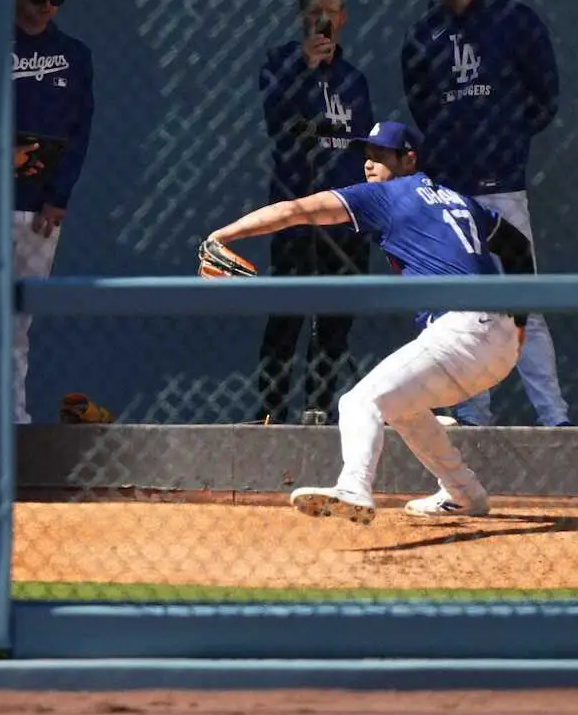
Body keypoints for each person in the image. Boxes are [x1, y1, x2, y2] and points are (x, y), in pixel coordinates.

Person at [205, 120, 533, 524]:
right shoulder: (460, 200)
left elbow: (295, 211)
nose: (369, 164)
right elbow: (516, 245)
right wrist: (519, 320)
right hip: (494, 341)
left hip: (462, 330)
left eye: (380, 154)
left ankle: (353, 486)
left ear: (408, 158)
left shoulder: (388, 195)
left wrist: (222, 235)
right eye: (366, 155)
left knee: (358, 401)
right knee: (403, 406)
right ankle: (463, 491)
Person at [400, 0, 571, 429]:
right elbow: (422, 106)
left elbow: (546, 97)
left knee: (524, 304)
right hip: (451, 189)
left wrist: (506, 139)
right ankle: (473, 418)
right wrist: (453, 150)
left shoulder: (516, 22)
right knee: (461, 307)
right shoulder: (424, 33)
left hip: (502, 187)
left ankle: (555, 421)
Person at [256, 0, 376, 425]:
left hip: (343, 214)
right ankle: (270, 408)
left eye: (331, 12)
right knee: (286, 310)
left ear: (342, 18)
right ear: (302, 17)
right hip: (293, 209)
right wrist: (303, 68)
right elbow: (274, 118)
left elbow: (364, 144)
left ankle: (319, 406)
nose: (322, 21)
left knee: (334, 316)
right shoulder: (278, 64)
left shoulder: (354, 80)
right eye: (314, 13)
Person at [11, 0, 95, 425]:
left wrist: (58, 197)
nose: (47, 5)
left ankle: (14, 423)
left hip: (40, 211)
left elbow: (80, 131)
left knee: (19, 324)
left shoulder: (74, 56)